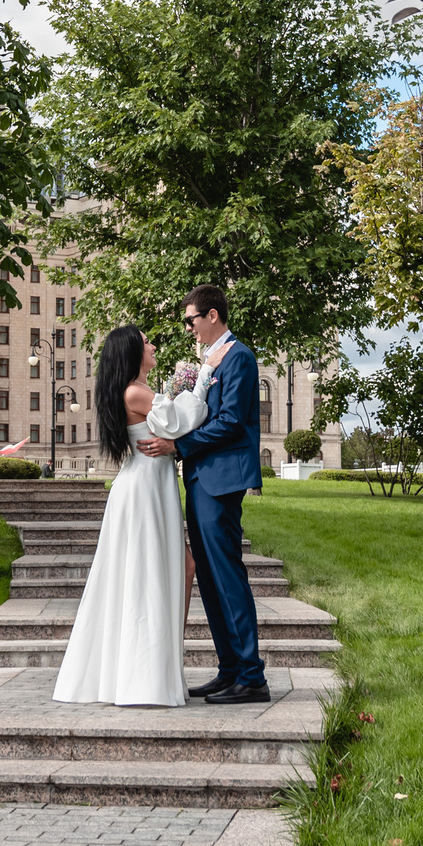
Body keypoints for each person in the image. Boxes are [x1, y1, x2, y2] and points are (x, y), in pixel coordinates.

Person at [53, 325, 204, 706]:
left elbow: (172, 427)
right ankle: (148, 677)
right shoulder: (135, 392)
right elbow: (182, 419)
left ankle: (164, 667)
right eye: (146, 341)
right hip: (143, 492)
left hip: (149, 487)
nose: (153, 345)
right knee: (149, 574)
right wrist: (200, 380)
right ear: (133, 352)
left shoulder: (137, 390)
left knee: (182, 567)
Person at [138, 284, 266, 703]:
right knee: (209, 579)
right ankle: (230, 670)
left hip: (222, 479)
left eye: (191, 320)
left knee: (226, 575)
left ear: (212, 315)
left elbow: (230, 422)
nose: (188, 328)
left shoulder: (239, 357)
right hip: (201, 478)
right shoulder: (211, 360)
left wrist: (178, 446)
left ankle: (252, 676)